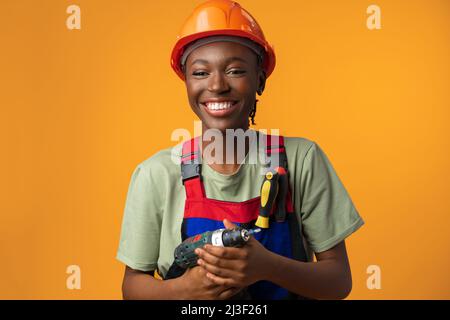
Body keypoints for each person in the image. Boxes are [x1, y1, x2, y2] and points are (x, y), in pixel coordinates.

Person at [116, 0, 364, 300]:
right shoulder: (156, 174)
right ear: (186, 84)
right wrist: (183, 289)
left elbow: (338, 281)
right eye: (200, 73)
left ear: (259, 80)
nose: (218, 85)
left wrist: (267, 267)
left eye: (235, 70)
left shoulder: (301, 160)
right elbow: (132, 287)